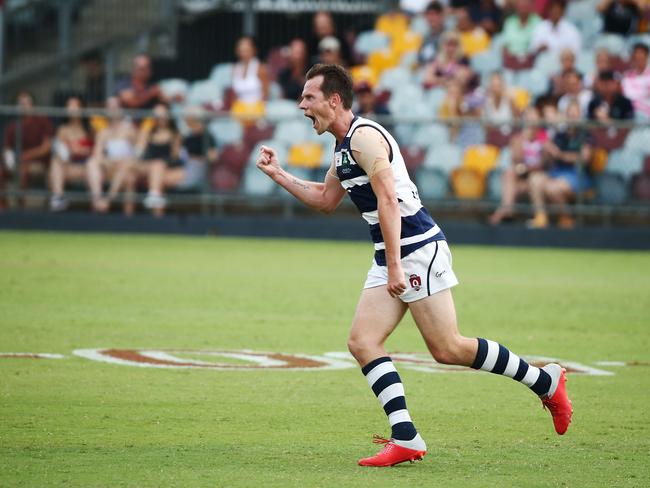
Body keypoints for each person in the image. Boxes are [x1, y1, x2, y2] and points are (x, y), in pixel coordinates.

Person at [256, 63, 573, 467]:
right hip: (393, 253)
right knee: (362, 342)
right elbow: (325, 199)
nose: (302, 105)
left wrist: (393, 265)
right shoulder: (342, 149)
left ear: (333, 100)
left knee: (448, 347)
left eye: (309, 97)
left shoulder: (365, 138)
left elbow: (388, 200)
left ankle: (546, 381)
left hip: (416, 249)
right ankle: (405, 437)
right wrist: (278, 173)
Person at [528, 101, 593, 229]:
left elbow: (584, 158)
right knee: (535, 179)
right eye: (570, 114)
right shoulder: (560, 135)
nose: (573, 118)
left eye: (576, 114)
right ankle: (541, 217)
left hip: (577, 174)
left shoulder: (585, 135)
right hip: (557, 171)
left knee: (552, 188)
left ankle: (566, 218)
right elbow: (549, 159)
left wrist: (560, 155)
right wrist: (547, 150)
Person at [143, 105, 217, 216]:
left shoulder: (206, 135)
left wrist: (196, 158)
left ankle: (157, 214)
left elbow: (213, 157)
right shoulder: (186, 136)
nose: (185, 120)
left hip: (195, 170)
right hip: (184, 167)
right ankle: (157, 211)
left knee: (159, 180)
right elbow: (177, 155)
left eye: (187, 118)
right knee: (158, 178)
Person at [489, 106, 549, 225]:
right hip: (523, 177)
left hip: (540, 176)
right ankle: (508, 210)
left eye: (533, 115)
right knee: (509, 173)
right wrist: (523, 138)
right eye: (527, 115)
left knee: (534, 179)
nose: (530, 118)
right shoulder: (519, 137)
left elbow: (544, 163)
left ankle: (502, 212)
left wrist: (527, 168)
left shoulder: (544, 137)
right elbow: (516, 159)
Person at [86, 96, 138, 214]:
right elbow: (97, 155)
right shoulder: (103, 133)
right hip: (110, 167)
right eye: (109, 107)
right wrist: (109, 161)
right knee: (91, 163)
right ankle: (97, 200)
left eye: (115, 106)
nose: (112, 110)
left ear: (121, 109)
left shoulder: (130, 130)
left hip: (128, 169)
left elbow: (137, 154)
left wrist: (122, 162)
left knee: (127, 174)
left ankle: (108, 201)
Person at [1, 91, 54, 207]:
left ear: (32, 104)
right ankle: (3, 205)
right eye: (21, 103)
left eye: (27, 103)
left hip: (40, 162)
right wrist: (8, 159)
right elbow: (7, 149)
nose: (24, 106)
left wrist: (23, 156)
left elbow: (46, 148)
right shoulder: (11, 126)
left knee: (23, 169)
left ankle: (21, 206)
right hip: (18, 161)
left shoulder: (42, 120)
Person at [49, 95, 94, 212]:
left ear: (82, 108)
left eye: (75, 105)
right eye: (69, 105)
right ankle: (58, 198)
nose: (72, 109)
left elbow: (95, 151)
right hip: (70, 165)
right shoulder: (62, 129)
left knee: (92, 167)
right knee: (56, 162)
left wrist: (78, 149)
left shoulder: (90, 128)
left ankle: (96, 203)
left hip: (88, 167)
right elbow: (62, 152)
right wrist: (74, 150)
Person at [134, 103, 181, 213]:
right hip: (147, 167)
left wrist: (161, 166)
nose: (160, 119)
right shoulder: (148, 132)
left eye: (162, 115)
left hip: (165, 168)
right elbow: (139, 152)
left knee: (158, 169)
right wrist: (144, 131)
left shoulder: (175, 134)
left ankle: (155, 201)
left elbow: (175, 157)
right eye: (157, 116)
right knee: (130, 168)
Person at [231, 36, 269, 104]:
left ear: (254, 50)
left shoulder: (260, 68)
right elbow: (234, 94)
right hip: (239, 109)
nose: (244, 53)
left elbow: (266, 94)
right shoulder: (235, 68)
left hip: (257, 109)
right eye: (241, 50)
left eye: (247, 50)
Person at [621, 43, 650, 121]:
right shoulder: (626, 76)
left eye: (641, 57)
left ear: (646, 57)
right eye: (636, 57)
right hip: (629, 113)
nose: (638, 60)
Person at [417, 1, 445, 67]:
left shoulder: (447, 35)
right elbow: (420, 58)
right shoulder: (425, 37)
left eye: (434, 14)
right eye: (428, 14)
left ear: (441, 16)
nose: (431, 18)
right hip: (423, 70)